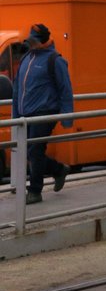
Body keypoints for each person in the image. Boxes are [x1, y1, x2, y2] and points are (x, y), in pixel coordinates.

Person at [12, 23, 73, 204]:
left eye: (35, 41)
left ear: (45, 41)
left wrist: (67, 116)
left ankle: (35, 191)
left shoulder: (55, 60)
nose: (32, 44)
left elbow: (65, 89)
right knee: (28, 150)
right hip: (26, 113)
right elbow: (17, 89)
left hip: (45, 112)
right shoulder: (26, 59)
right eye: (30, 41)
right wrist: (15, 116)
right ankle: (58, 170)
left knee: (35, 150)